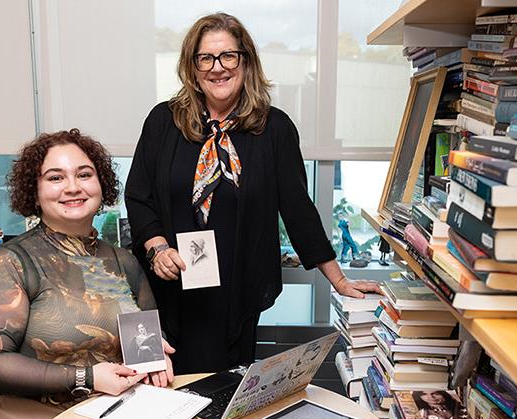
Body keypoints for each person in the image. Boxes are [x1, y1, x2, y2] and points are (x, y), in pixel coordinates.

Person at [125, 12, 380, 374]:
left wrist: (338, 280)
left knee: (225, 390)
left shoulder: (274, 129)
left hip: (235, 292)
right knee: (165, 387)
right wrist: (157, 248)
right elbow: (138, 196)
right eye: (206, 58)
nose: (218, 67)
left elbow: (298, 210)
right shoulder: (163, 122)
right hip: (168, 288)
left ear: (245, 62)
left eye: (228, 56)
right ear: (193, 68)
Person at [0, 129, 174, 419]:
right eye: (55, 178)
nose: (73, 187)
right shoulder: (10, 261)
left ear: (101, 185)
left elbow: (144, 342)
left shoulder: (123, 262)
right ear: (35, 191)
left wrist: (153, 358)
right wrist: (87, 377)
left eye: (84, 174)